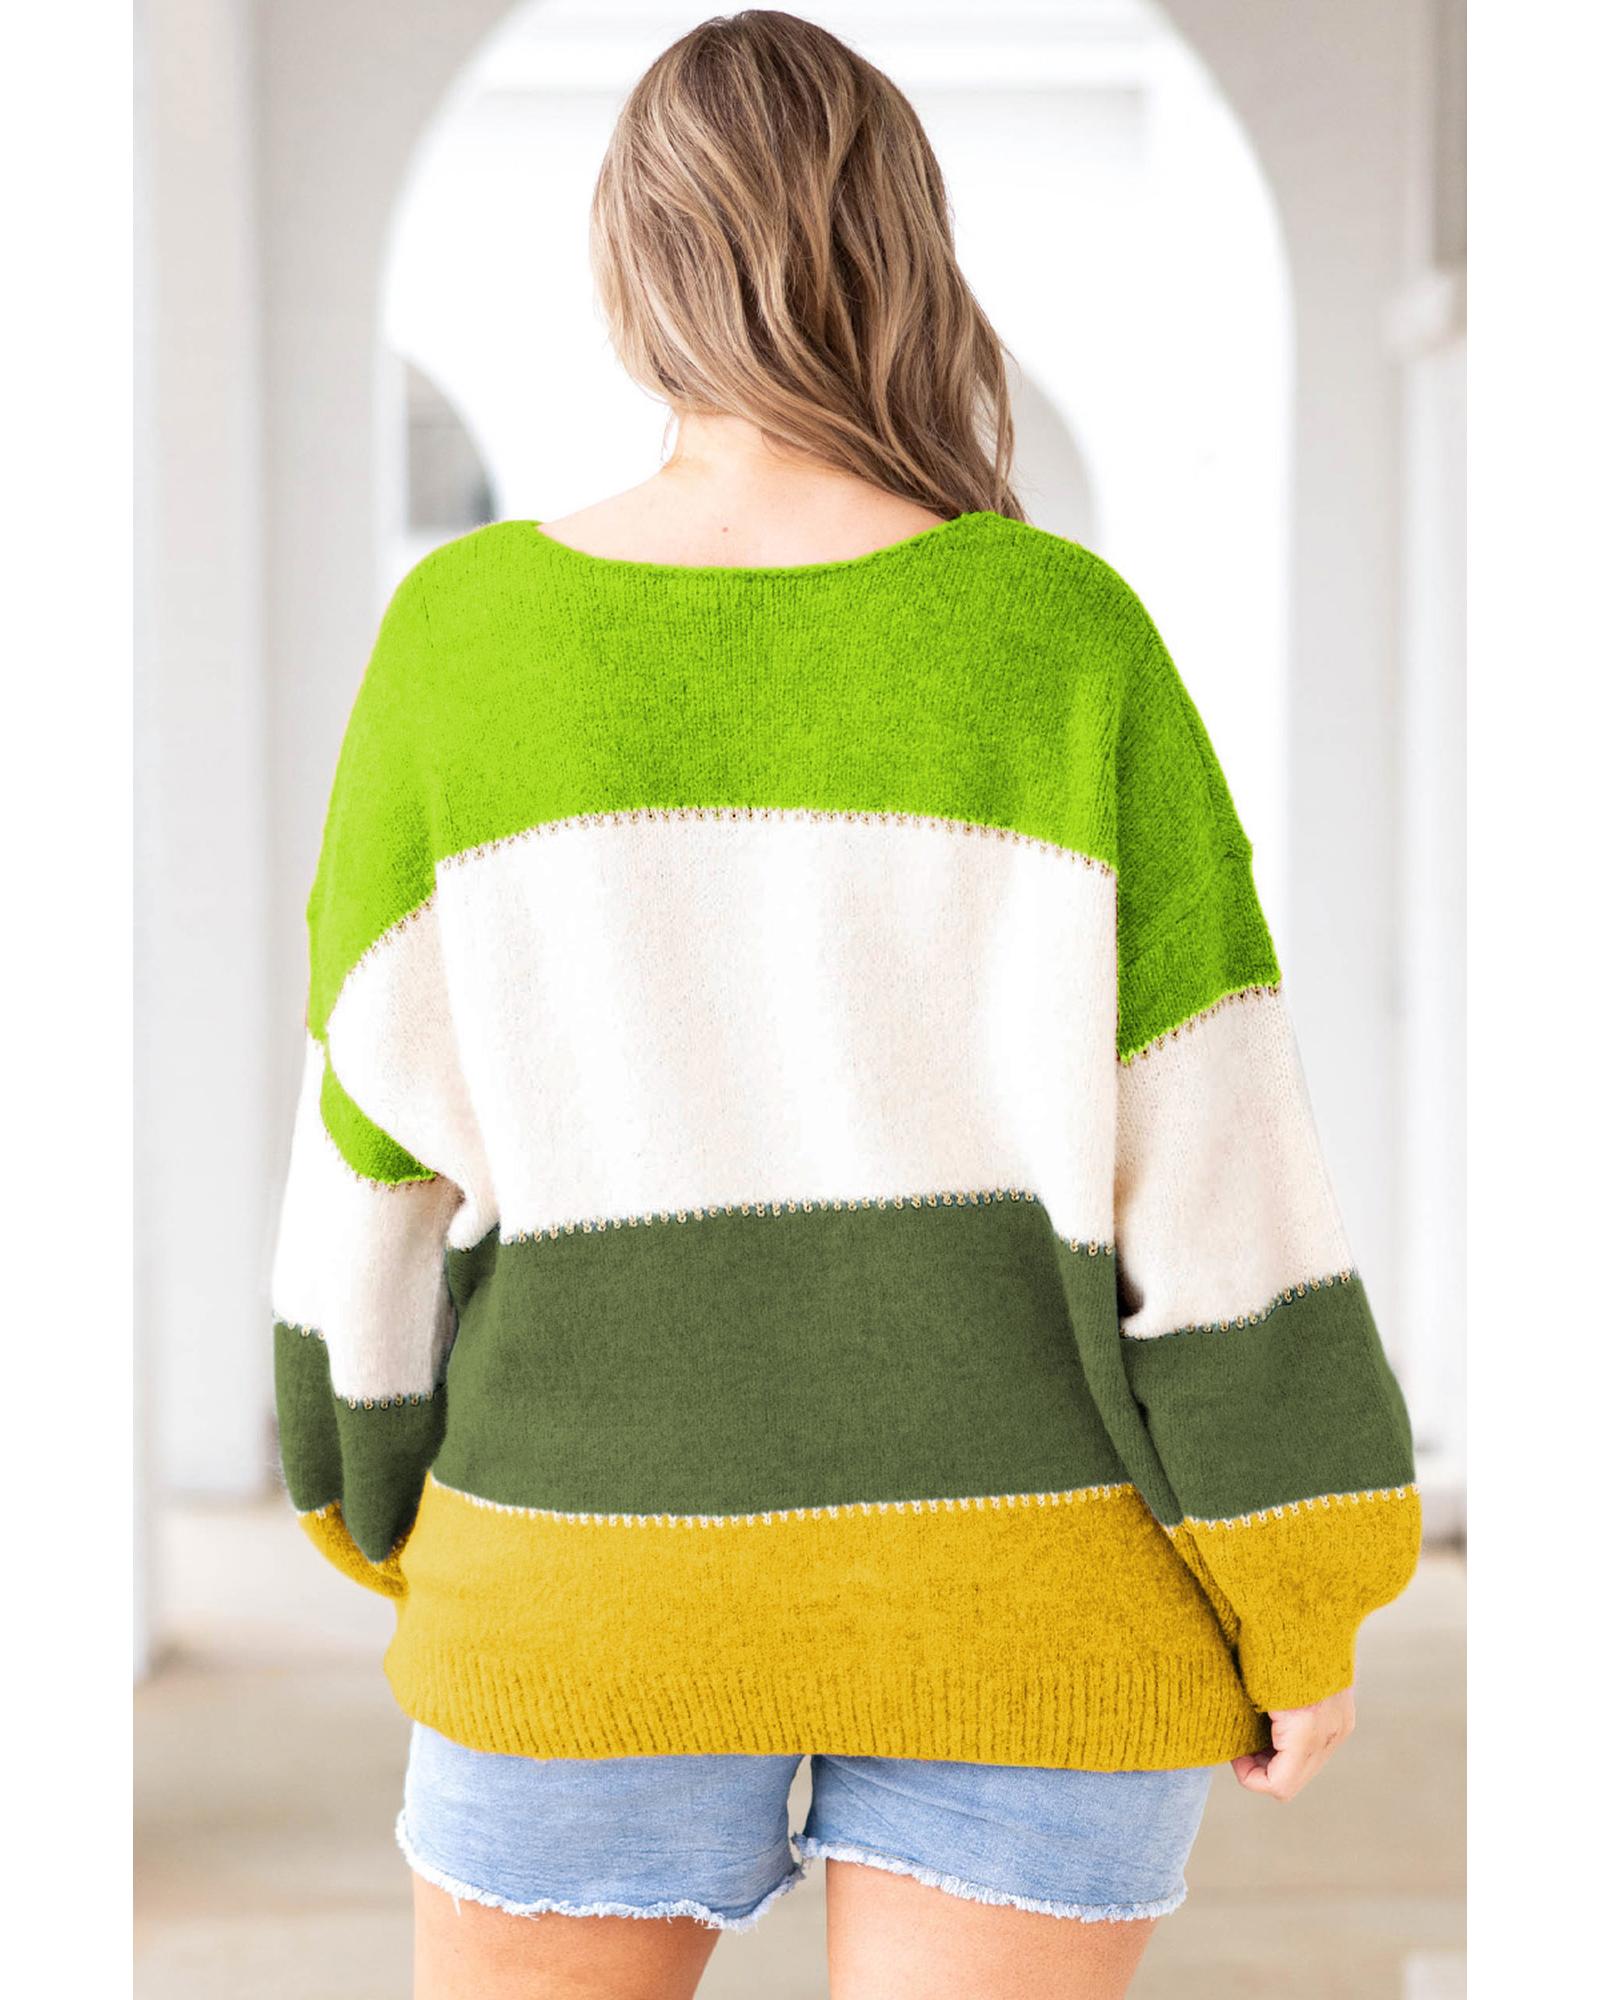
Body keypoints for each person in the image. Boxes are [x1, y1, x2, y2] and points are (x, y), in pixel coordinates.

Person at [269, 13, 1421, 1997]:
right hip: (1035, 1586)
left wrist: (375, 1504)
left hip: (583, 1569)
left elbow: (368, 1162)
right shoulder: (1061, 634)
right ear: (905, 256)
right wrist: (1291, 1583)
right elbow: (1217, 1161)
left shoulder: (460, 643)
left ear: (629, 276)